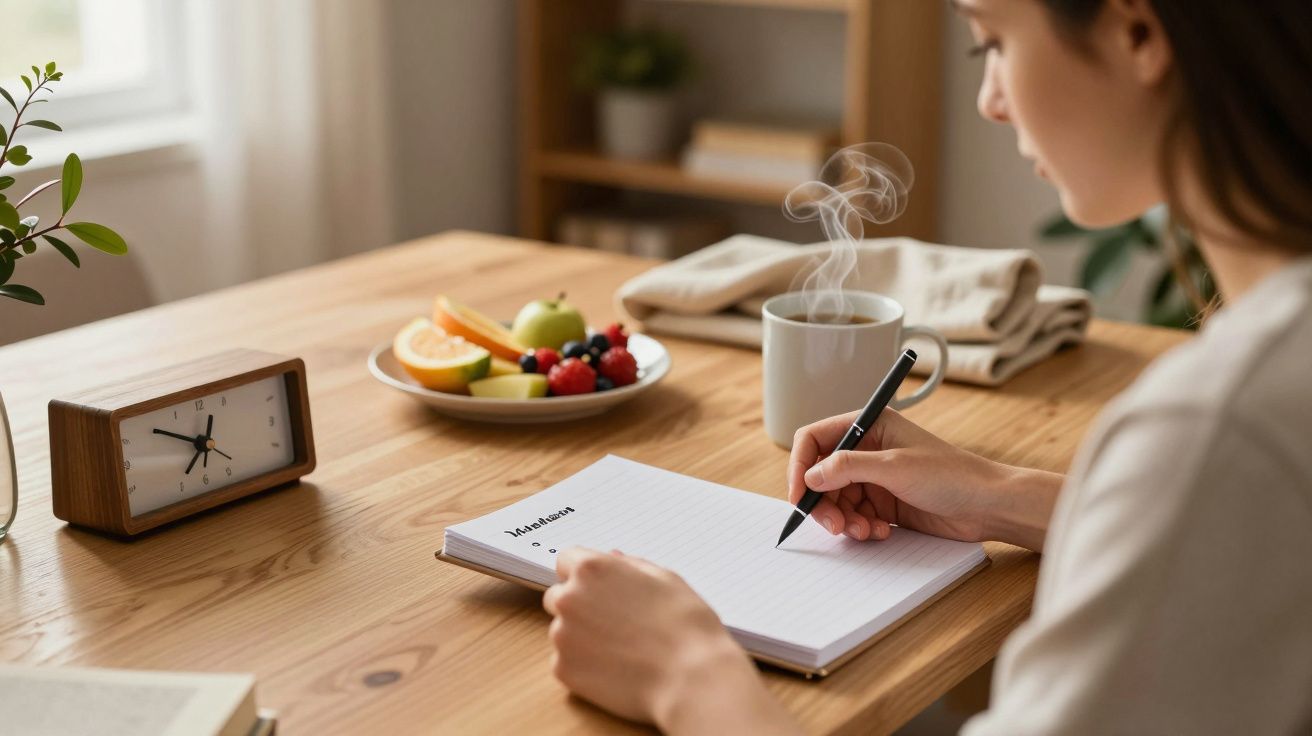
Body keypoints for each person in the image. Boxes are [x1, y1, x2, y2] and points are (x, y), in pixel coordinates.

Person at [541, 0, 1312, 732]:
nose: (989, 100)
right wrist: (1001, 498)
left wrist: (686, 671)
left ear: (1139, 32)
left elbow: (1221, 478)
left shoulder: (1221, 421)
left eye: (994, 42)